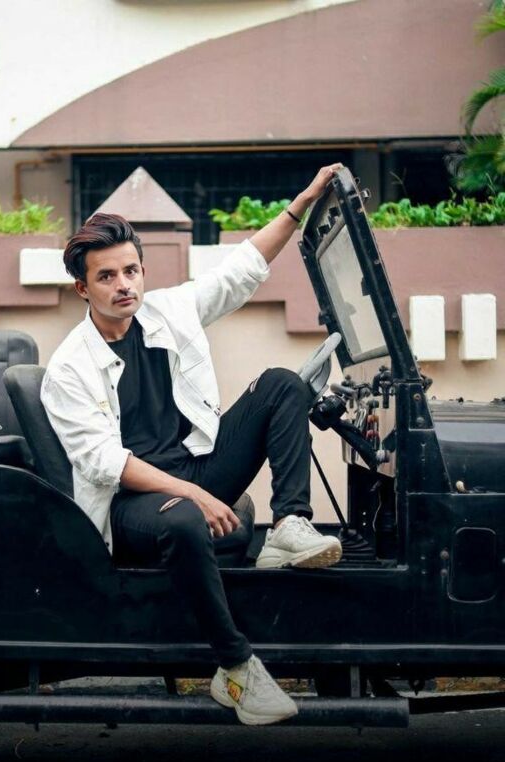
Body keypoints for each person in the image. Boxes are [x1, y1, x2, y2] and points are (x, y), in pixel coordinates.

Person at [42, 164, 343, 726]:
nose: (124, 284)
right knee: (183, 518)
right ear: (83, 288)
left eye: (131, 270)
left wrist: (300, 203)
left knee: (283, 384)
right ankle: (236, 667)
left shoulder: (168, 311)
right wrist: (194, 496)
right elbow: (107, 464)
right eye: (106, 276)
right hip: (132, 506)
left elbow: (240, 270)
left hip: (195, 470)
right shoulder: (68, 369)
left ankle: (289, 524)